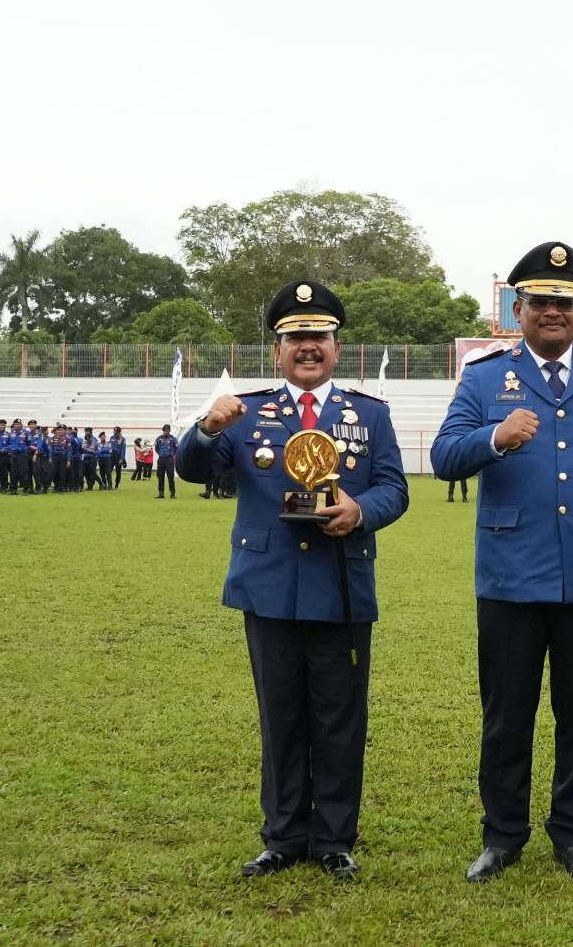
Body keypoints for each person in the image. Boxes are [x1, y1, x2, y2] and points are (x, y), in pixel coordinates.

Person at [432, 241, 573, 884]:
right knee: (507, 715)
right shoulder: (483, 377)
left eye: (565, 301)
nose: (554, 311)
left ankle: (572, 833)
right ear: (519, 307)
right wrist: (492, 437)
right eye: (541, 301)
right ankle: (502, 835)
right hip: (511, 573)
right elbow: (445, 457)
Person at [178, 280, 410, 882]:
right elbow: (193, 471)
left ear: (336, 347)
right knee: (280, 716)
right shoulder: (245, 411)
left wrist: (360, 511)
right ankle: (282, 836)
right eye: (296, 338)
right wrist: (206, 427)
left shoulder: (369, 413)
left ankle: (334, 837)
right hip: (271, 584)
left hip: (341, 582)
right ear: (278, 349)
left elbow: (394, 488)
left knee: (339, 716)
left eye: (319, 337)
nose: (309, 347)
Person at [154, 425, 177, 498]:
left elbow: (176, 448)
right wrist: (160, 454)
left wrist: (172, 456)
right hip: (161, 459)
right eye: (164, 431)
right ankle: (161, 493)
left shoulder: (173, 439)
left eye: (167, 431)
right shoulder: (159, 438)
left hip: (169, 459)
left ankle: (172, 494)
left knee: (170, 477)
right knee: (160, 477)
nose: (166, 432)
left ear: (169, 431)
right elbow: (156, 448)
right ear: (163, 431)